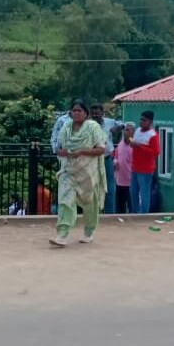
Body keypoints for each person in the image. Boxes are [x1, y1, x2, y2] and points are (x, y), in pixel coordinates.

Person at [50, 99, 106, 247]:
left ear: (86, 113)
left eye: (79, 110)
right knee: (65, 201)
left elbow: (101, 149)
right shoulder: (66, 128)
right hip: (69, 170)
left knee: (90, 203)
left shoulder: (93, 127)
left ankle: (88, 231)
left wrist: (82, 151)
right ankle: (62, 234)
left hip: (88, 172)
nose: (76, 113)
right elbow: (59, 148)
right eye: (74, 110)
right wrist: (63, 152)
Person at [90, 103, 123, 214]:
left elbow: (124, 124)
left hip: (107, 158)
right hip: (92, 160)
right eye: (93, 113)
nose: (95, 115)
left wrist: (117, 128)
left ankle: (109, 214)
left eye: (97, 113)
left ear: (102, 113)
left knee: (110, 187)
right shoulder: (87, 125)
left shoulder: (109, 122)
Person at [129, 111, 160, 214]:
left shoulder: (153, 135)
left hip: (146, 169)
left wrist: (139, 146)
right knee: (133, 192)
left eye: (144, 120)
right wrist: (133, 144)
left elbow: (155, 152)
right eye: (140, 119)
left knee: (144, 193)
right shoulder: (137, 130)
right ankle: (135, 212)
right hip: (135, 167)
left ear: (150, 121)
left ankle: (144, 214)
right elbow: (134, 145)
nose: (141, 122)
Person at [113, 122, 135, 214]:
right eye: (124, 130)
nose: (125, 132)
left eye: (128, 130)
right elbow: (115, 156)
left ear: (133, 132)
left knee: (132, 206)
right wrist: (115, 162)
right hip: (119, 181)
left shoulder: (134, 146)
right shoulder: (121, 144)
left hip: (131, 181)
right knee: (119, 207)